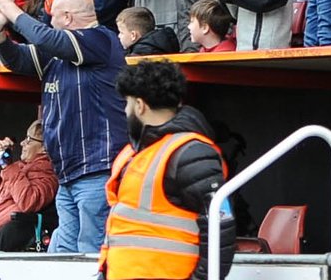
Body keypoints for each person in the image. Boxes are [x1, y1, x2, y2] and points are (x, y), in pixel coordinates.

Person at [0, 0, 127, 254]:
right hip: (67, 173)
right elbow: (17, 59)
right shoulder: (56, 53)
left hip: (98, 169)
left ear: (68, 17)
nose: (49, 22)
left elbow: (45, 38)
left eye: (53, 16)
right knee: (62, 255)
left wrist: (11, 10)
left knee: (91, 253)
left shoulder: (101, 39)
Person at [100, 60, 234, 280]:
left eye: (127, 104)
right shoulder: (138, 153)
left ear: (140, 106)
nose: (125, 111)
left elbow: (221, 228)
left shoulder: (190, 152)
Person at [0, 121, 57, 251]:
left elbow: (29, 201)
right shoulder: (19, 168)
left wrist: (7, 166)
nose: (22, 143)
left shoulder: (48, 173)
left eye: (29, 140)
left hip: (8, 235)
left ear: (44, 147)